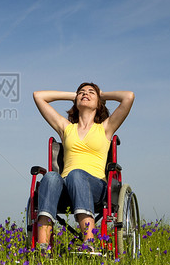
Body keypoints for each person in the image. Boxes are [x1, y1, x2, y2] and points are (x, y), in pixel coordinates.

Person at [32, 82, 134, 254]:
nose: (85, 93)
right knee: (50, 177)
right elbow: (38, 96)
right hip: (65, 187)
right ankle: (43, 247)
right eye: (82, 92)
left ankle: (89, 242)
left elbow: (128, 96)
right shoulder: (66, 129)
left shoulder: (105, 128)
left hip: (95, 187)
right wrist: (74, 95)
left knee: (77, 174)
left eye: (90, 92)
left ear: (99, 103)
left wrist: (101, 95)